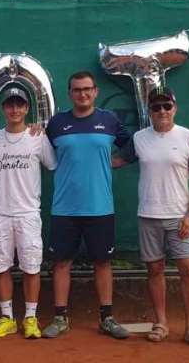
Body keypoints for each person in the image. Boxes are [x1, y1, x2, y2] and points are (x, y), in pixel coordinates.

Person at [113, 88, 189, 348]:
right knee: (154, 270)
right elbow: (117, 161)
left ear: (175, 108)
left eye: (166, 106)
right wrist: (85, 154)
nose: (162, 111)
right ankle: (161, 323)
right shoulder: (140, 138)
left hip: (180, 219)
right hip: (148, 217)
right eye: (156, 107)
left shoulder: (188, 138)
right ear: (150, 111)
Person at [42, 71, 131, 339]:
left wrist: (115, 162)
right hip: (64, 209)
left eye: (87, 89)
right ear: (70, 93)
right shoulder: (56, 124)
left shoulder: (109, 120)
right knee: (61, 263)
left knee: (103, 263)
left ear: (95, 92)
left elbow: (132, 147)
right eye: (77, 90)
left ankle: (107, 318)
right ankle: (60, 318)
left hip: (101, 208)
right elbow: (38, 147)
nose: (83, 94)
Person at [0, 88, 57, 339]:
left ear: (27, 109)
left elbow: (52, 164)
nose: (14, 110)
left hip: (28, 213)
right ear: (3, 109)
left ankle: (30, 318)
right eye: (9, 105)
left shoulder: (38, 136)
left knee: (31, 267)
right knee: (0, 266)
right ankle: (7, 318)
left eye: (20, 105)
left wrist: (42, 130)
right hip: (0, 213)